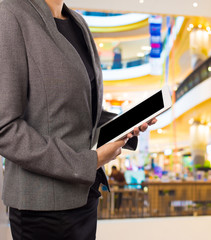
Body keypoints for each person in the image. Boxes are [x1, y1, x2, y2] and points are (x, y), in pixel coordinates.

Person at [0, 0, 156, 239]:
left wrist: (125, 124)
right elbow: (5, 128)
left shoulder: (78, 22)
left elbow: (82, 111)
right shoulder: (10, 13)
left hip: (84, 199)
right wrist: (87, 163)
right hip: (41, 210)